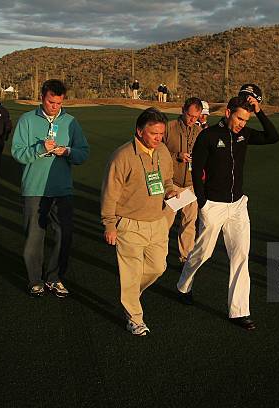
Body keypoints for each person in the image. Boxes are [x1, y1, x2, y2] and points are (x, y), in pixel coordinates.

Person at [176, 86, 279, 331]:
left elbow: (273, 136)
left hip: (237, 205)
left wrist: (260, 111)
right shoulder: (208, 136)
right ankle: (183, 284)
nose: (242, 124)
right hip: (213, 205)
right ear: (227, 112)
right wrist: (203, 203)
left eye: (246, 119)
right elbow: (197, 173)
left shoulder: (245, 135)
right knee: (204, 253)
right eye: (239, 118)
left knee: (240, 255)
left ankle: (239, 311)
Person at [101, 108, 177, 336]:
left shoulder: (163, 151)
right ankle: (134, 319)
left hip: (157, 221)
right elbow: (110, 193)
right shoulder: (122, 156)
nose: (158, 138)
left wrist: (171, 191)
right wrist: (109, 224)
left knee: (157, 267)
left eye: (161, 134)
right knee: (131, 273)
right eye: (153, 133)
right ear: (139, 131)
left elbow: (167, 179)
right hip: (129, 224)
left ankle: (131, 294)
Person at [11, 79, 90, 297]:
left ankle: (54, 278)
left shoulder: (70, 122)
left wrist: (67, 152)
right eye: (50, 101)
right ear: (42, 97)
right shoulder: (27, 120)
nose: (54, 106)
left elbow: (83, 153)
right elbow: (17, 153)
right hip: (34, 189)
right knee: (34, 237)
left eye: (58, 102)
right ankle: (35, 280)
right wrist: (38, 148)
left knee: (64, 235)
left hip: (62, 189)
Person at [163, 97, 203, 264]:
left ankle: (186, 257)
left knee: (189, 224)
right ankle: (159, 254)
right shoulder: (168, 128)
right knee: (165, 223)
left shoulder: (198, 132)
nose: (192, 120)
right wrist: (177, 156)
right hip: (172, 184)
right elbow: (158, 154)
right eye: (190, 115)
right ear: (182, 110)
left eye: (196, 117)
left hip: (191, 185)